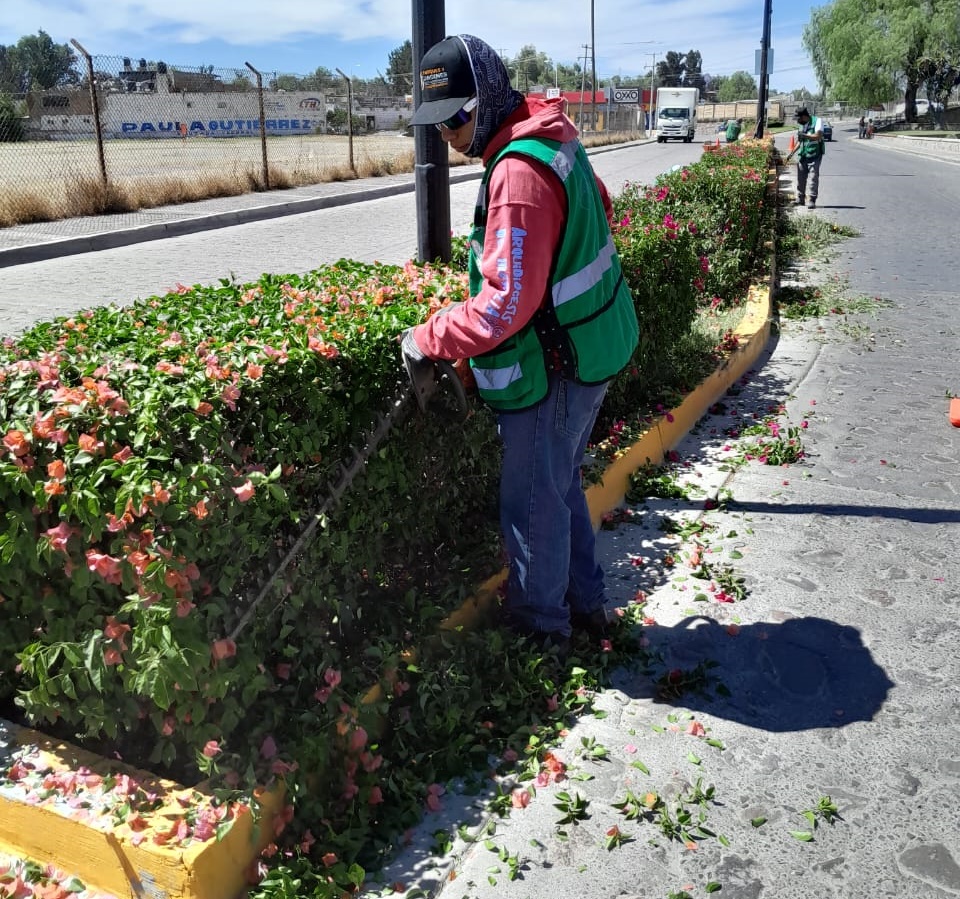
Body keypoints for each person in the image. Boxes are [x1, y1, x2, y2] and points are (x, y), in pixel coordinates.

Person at [400, 34, 639, 654]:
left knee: (533, 499)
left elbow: (506, 304)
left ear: (487, 102)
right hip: (592, 348)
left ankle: (542, 635)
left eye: (456, 117)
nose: (448, 135)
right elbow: (600, 210)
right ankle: (588, 610)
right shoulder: (548, 136)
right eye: (437, 122)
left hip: (559, 364)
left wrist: (430, 337)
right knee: (560, 485)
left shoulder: (517, 173)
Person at [794, 107, 824, 209]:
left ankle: (812, 199)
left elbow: (818, 136)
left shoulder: (817, 121)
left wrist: (805, 135)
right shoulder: (801, 126)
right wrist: (791, 153)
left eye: (799, 118)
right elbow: (800, 141)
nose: (798, 121)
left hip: (815, 154)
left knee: (813, 177)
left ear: (804, 116)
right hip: (803, 154)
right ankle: (800, 198)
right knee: (800, 178)